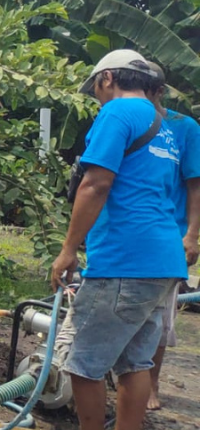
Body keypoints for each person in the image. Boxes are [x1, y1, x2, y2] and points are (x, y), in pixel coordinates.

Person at [50, 49, 189, 430]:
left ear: (107, 78)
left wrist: (67, 250)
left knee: (81, 359)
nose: (97, 96)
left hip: (126, 258)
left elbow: (96, 183)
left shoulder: (117, 112)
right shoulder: (163, 124)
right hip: (163, 260)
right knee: (135, 362)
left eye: (96, 87)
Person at [141, 62, 200, 410]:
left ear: (159, 92)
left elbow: (195, 185)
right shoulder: (124, 122)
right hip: (127, 237)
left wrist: (192, 234)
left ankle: (151, 384)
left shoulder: (184, 128)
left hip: (170, 237)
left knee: (159, 319)